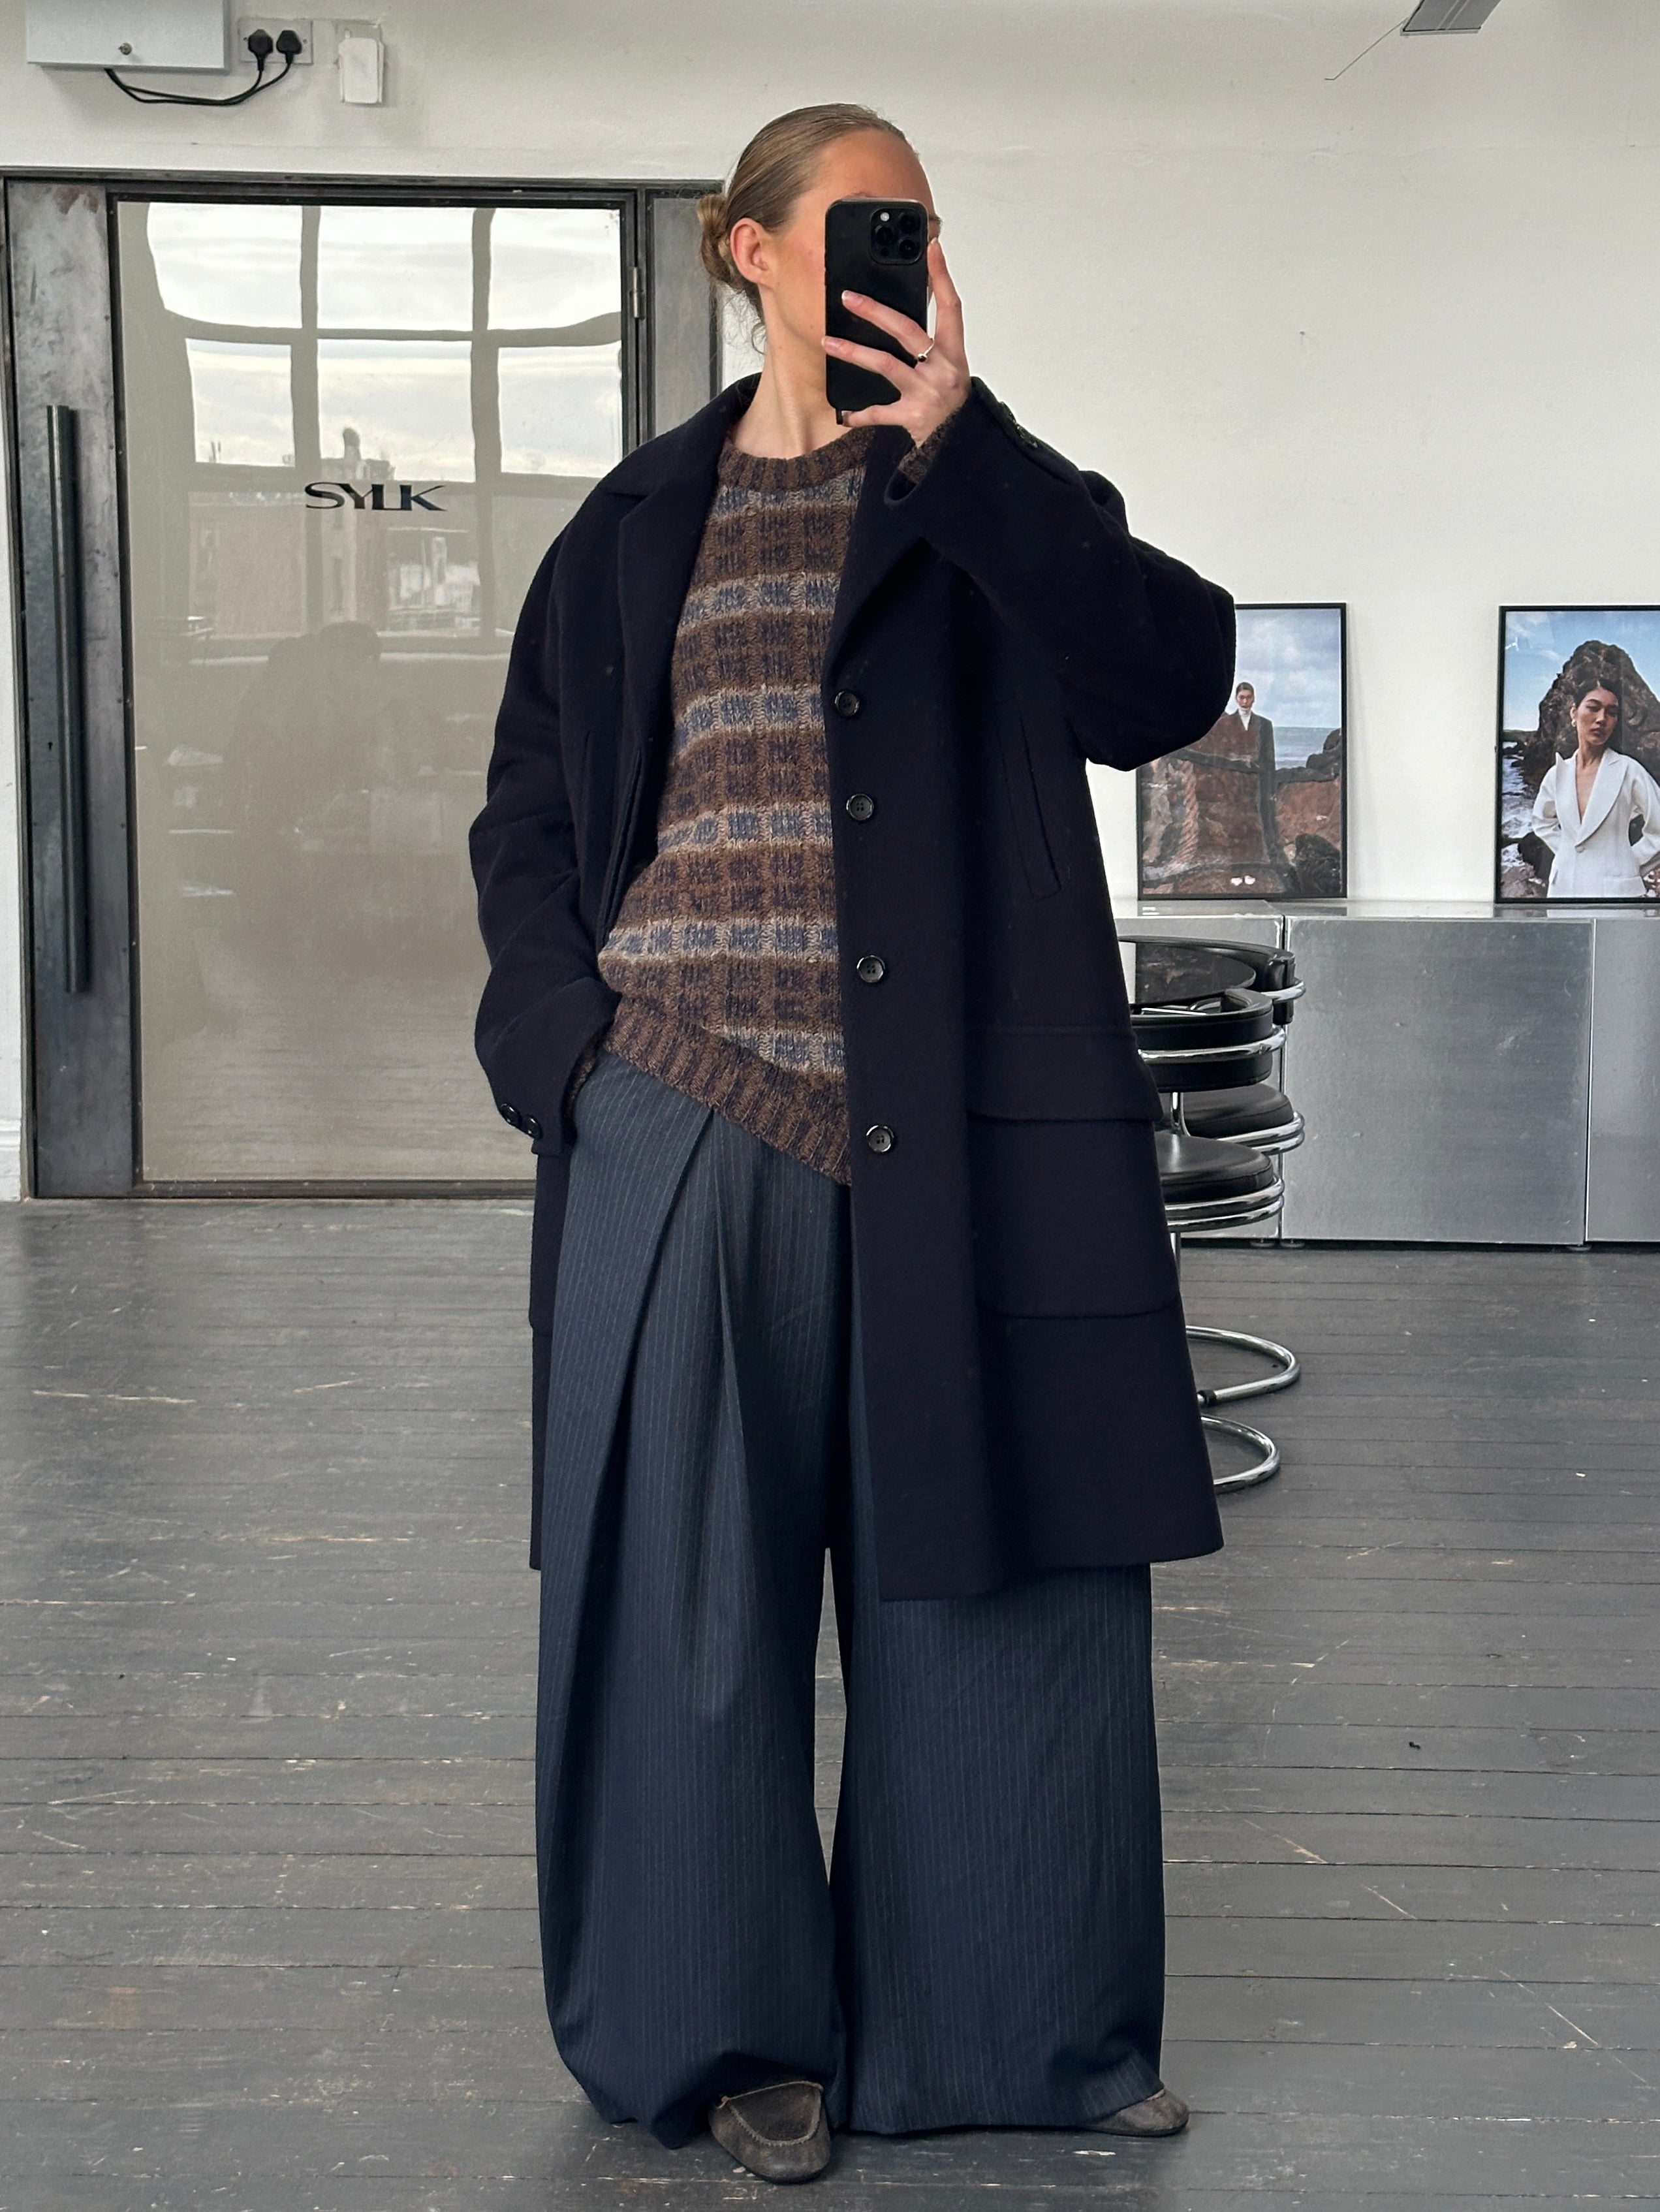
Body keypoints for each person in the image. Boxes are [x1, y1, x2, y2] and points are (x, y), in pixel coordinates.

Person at [470, 103, 1234, 2185]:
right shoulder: (630, 524)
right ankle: (724, 2041)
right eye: (858, 220)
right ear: (748, 247)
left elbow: (1162, 681)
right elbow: (527, 812)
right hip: (675, 1113)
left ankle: (1021, 2030)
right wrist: (563, 1047)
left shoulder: (992, 493)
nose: (898, 250)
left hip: (964, 1138)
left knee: (1005, 1583)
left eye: (921, 222)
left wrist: (962, 442)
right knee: (679, 1606)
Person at [1529, 675, 1660, 898]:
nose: (1601, 719)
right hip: (1564, 889)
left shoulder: (1629, 770)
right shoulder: (1557, 774)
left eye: (1611, 712)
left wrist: (1629, 862)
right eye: (1593, 708)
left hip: (1616, 894)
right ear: (1574, 713)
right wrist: (1568, 851)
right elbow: (1542, 821)